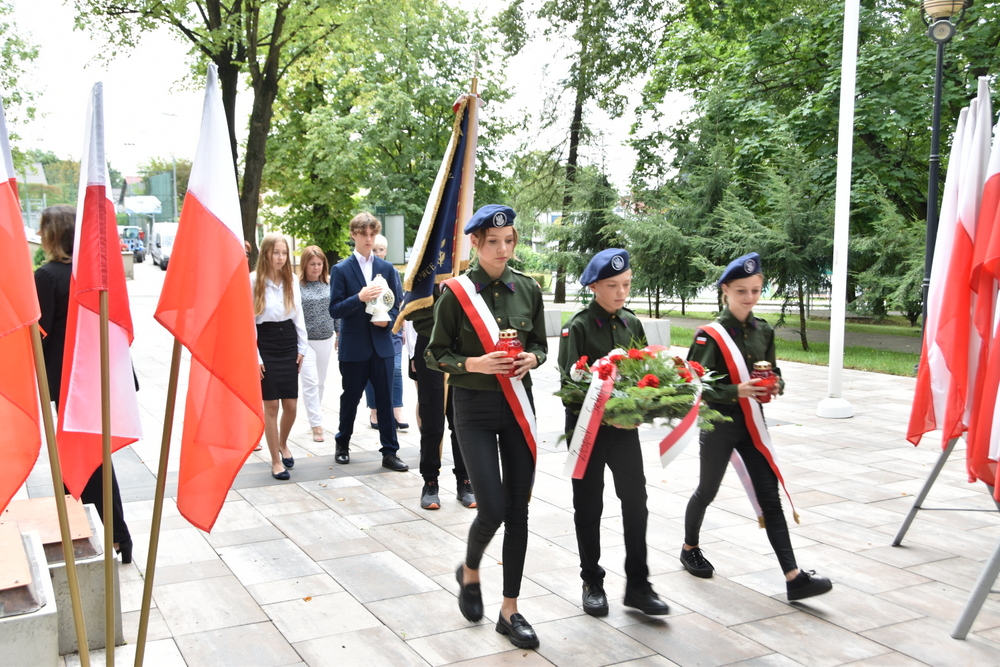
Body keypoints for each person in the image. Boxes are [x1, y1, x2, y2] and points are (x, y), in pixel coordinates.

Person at [426, 204, 546, 649]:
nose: (502, 249)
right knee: (491, 507)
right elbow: (432, 355)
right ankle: (470, 569)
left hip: (518, 406)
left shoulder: (529, 289)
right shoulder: (455, 294)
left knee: (519, 511)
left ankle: (509, 610)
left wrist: (533, 357)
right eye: (493, 242)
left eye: (509, 241)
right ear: (475, 244)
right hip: (473, 407)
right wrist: (473, 362)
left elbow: (539, 345)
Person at [681, 252, 832, 602]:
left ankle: (794, 578)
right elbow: (695, 384)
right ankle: (690, 547)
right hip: (719, 423)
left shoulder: (763, 330)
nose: (749, 297)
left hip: (752, 425)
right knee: (707, 490)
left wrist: (775, 385)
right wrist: (737, 390)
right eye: (741, 291)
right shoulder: (709, 336)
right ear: (725, 291)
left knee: (770, 497)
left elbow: (773, 371)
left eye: (755, 290)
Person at [557, 248, 670, 617]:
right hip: (587, 432)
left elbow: (643, 375)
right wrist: (606, 412)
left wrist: (640, 409)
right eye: (613, 285)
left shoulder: (631, 324)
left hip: (625, 433)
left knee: (636, 504)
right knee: (589, 508)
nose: (621, 292)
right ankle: (592, 580)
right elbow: (569, 386)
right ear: (593, 286)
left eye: (626, 284)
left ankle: (638, 584)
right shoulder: (578, 326)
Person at [35, 205, 133, 563]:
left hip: (70, 382)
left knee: (81, 458)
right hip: (97, 377)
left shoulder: (48, 277)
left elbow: (38, 334)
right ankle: (113, 535)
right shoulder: (94, 274)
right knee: (92, 456)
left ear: (54, 234)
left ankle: (83, 533)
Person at [329, 213, 408, 472]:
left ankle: (390, 452)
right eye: (363, 234)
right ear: (353, 234)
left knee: (385, 400)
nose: (368, 239)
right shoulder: (340, 269)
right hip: (354, 347)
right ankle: (342, 444)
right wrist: (359, 298)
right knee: (350, 398)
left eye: (372, 234)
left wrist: (389, 321)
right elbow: (335, 309)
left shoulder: (387, 269)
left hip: (382, 344)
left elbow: (397, 306)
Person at [406, 285, 476, 510]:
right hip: (430, 345)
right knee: (432, 420)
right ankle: (430, 482)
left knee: (461, 420)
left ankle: (464, 481)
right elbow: (412, 312)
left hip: (460, 347)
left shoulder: (465, 268)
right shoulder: (425, 271)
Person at [252, 233, 308, 481]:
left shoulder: (292, 279)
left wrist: (302, 347)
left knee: (292, 405)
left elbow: (298, 314)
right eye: (276, 252)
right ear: (266, 253)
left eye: (284, 253)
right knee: (272, 405)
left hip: (288, 341)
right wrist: (256, 356)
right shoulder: (253, 281)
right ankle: (275, 461)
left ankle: (282, 443)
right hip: (265, 342)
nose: (281, 258)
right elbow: (246, 322)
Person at [365, 234, 408, 430]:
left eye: (380, 250)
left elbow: (400, 302)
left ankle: (397, 410)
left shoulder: (391, 271)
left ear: (386, 251)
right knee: (373, 372)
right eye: (374, 250)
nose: (377, 253)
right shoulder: (364, 271)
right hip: (372, 330)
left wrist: (403, 327)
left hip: (393, 329)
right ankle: (374, 411)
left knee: (396, 371)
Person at [299, 245, 335, 442]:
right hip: (305, 341)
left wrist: (339, 332)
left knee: (320, 382)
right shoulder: (296, 286)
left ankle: (315, 414)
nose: (316, 268)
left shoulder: (330, 284)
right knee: (310, 382)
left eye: (319, 264)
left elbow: (336, 310)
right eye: (312, 264)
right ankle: (316, 425)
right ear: (304, 265)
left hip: (326, 339)